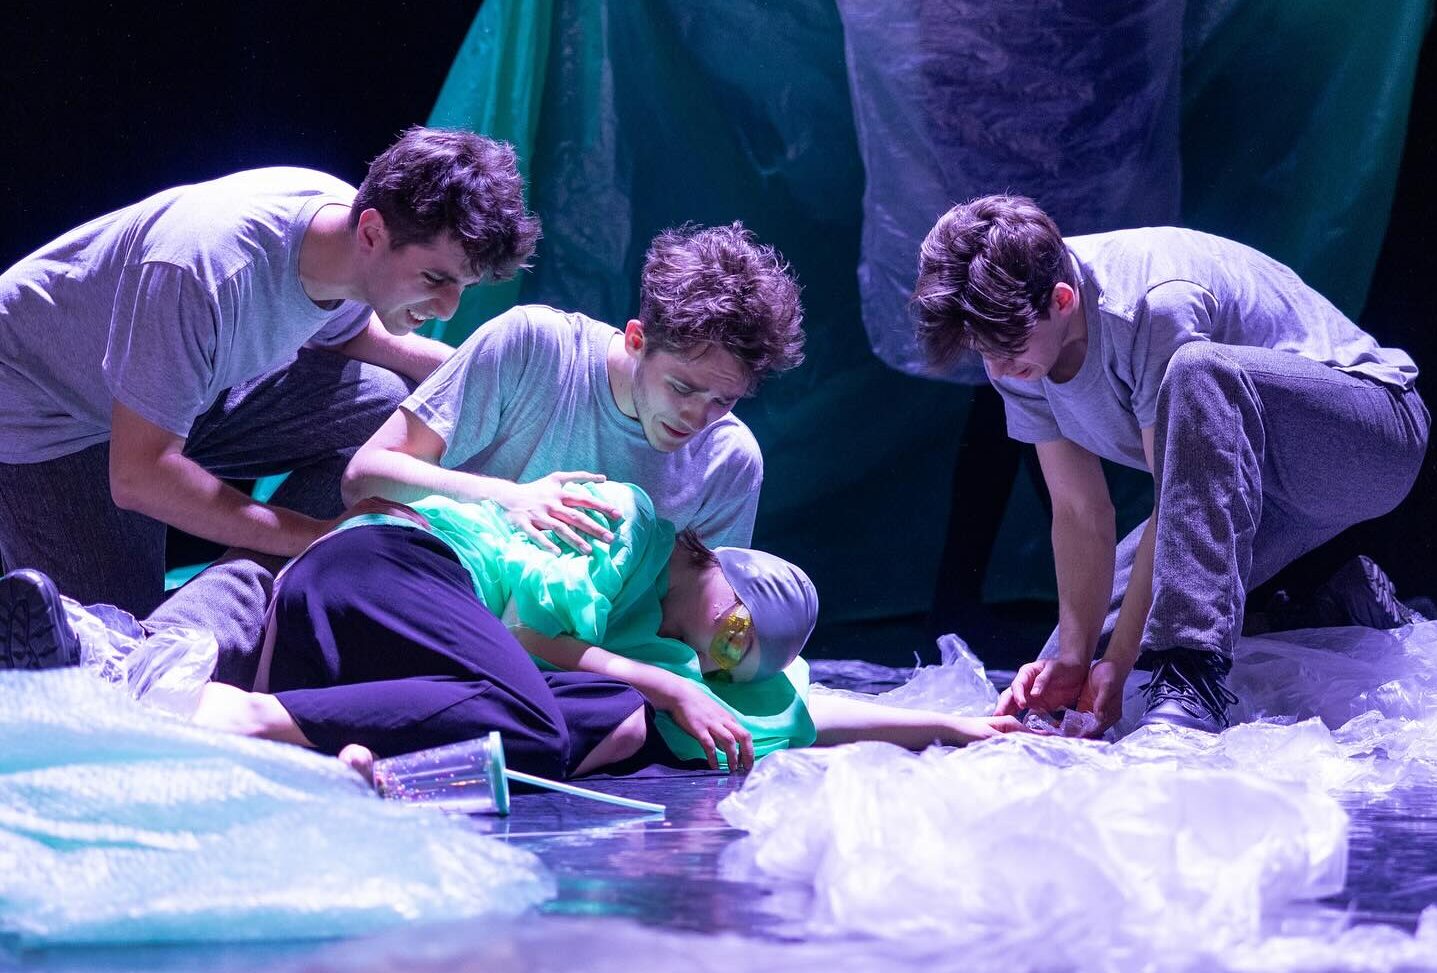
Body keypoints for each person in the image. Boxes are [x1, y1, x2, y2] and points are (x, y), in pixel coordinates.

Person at [0, 126, 540, 679]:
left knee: (385, 404)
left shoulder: (342, 241)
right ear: (373, 233)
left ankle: (177, 633)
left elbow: (345, 332)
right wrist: (318, 532)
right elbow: (139, 475)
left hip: (182, 394)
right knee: (91, 667)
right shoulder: (203, 272)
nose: (448, 308)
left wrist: (490, 381)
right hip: (49, 413)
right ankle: (149, 643)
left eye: (462, 287)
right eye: (435, 278)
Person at [911, 194, 1429, 735]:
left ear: (1062, 300)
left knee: (1199, 370)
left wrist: (1122, 660)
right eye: (983, 351)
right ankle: (1324, 605)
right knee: (1067, 675)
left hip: (1370, 440)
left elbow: (1173, 503)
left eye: (1007, 349)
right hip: (1252, 486)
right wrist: (1077, 658)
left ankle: (1192, 674)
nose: (997, 370)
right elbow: (1080, 511)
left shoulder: (1152, 307)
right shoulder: (1016, 351)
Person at [175, 482, 1026, 779]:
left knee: (611, 717)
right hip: (386, 563)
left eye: (724, 663)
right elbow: (523, 634)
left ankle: (329, 742)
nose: (711, 655)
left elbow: (804, 710)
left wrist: (947, 725)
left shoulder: (651, 633)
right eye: (733, 634)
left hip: (366, 628)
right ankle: (247, 711)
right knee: (540, 719)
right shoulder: (632, 524)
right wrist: (666, 682)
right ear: (725, 572)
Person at [340, 222, 805, 559]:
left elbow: (700, 615)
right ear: (637, 340)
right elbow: (365, 476)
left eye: (724, 401)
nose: (697, 418)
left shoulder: (729, 459)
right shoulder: (535, 344)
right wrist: (507, 498)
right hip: (448, 592)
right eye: (682, 387)